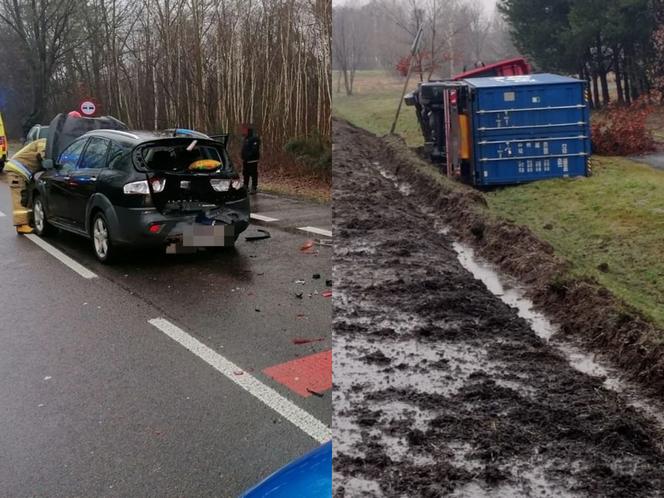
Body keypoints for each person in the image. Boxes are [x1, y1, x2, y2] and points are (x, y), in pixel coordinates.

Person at [4, 138, 46, 234]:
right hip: (16, 172)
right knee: (20, 198)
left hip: (19, 171)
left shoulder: (42, 141)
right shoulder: (44, 142)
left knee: (26, 197)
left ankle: (26, 222)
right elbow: (44, 155)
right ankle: (21, 225)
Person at [241, 125, 261, 194]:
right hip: (245, 160)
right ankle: (245, 186)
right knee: (245, 173)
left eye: (245, 130)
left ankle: (254, 187)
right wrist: (243, 156)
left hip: (252, 160)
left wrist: (248, 156)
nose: (243, 132)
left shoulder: (255, 139)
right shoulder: (245, 139)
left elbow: (254, 149)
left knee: (253, 174)